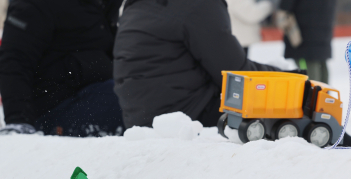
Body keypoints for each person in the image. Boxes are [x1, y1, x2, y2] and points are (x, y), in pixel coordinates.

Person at [113, 0, 277, 130]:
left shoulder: (138, 6)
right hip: (186, 116)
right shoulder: (196, 5)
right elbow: (237, 75)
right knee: (280, 115)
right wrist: (287, 76)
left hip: (141, 118)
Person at [0, 0, 125, 137]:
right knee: (133, 105)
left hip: (99, 92)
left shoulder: (98, 5)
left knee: (138, 97)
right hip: (56, 107)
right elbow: (15, 58)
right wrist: (18, 120)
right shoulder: (36, 5)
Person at [277, 0, 337, 84]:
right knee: (322, 73)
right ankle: (324, 96)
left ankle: (313, 96)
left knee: (310, 77)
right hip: (323, 36)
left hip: (303, 40)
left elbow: (284, 7)